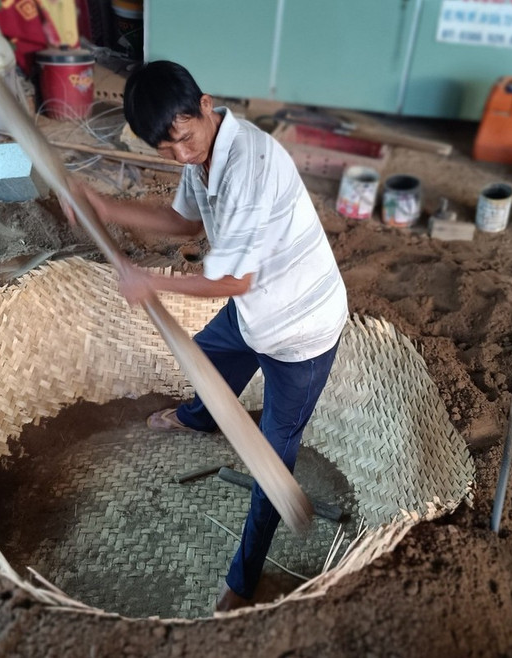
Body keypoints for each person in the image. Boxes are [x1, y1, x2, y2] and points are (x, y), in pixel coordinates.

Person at [66, 60, 348, 612]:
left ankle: (242, 583)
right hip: (255, 312)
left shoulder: (248, 167)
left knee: (272, 457)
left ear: (206, 104)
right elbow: (187, 224)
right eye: (166, 148)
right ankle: (196, 418)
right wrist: (108, 208)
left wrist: (147, 282)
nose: (181, 155)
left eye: (184, 138)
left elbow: (232, 279)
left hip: (301, 330)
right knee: (206, 363)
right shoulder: (204, 152)